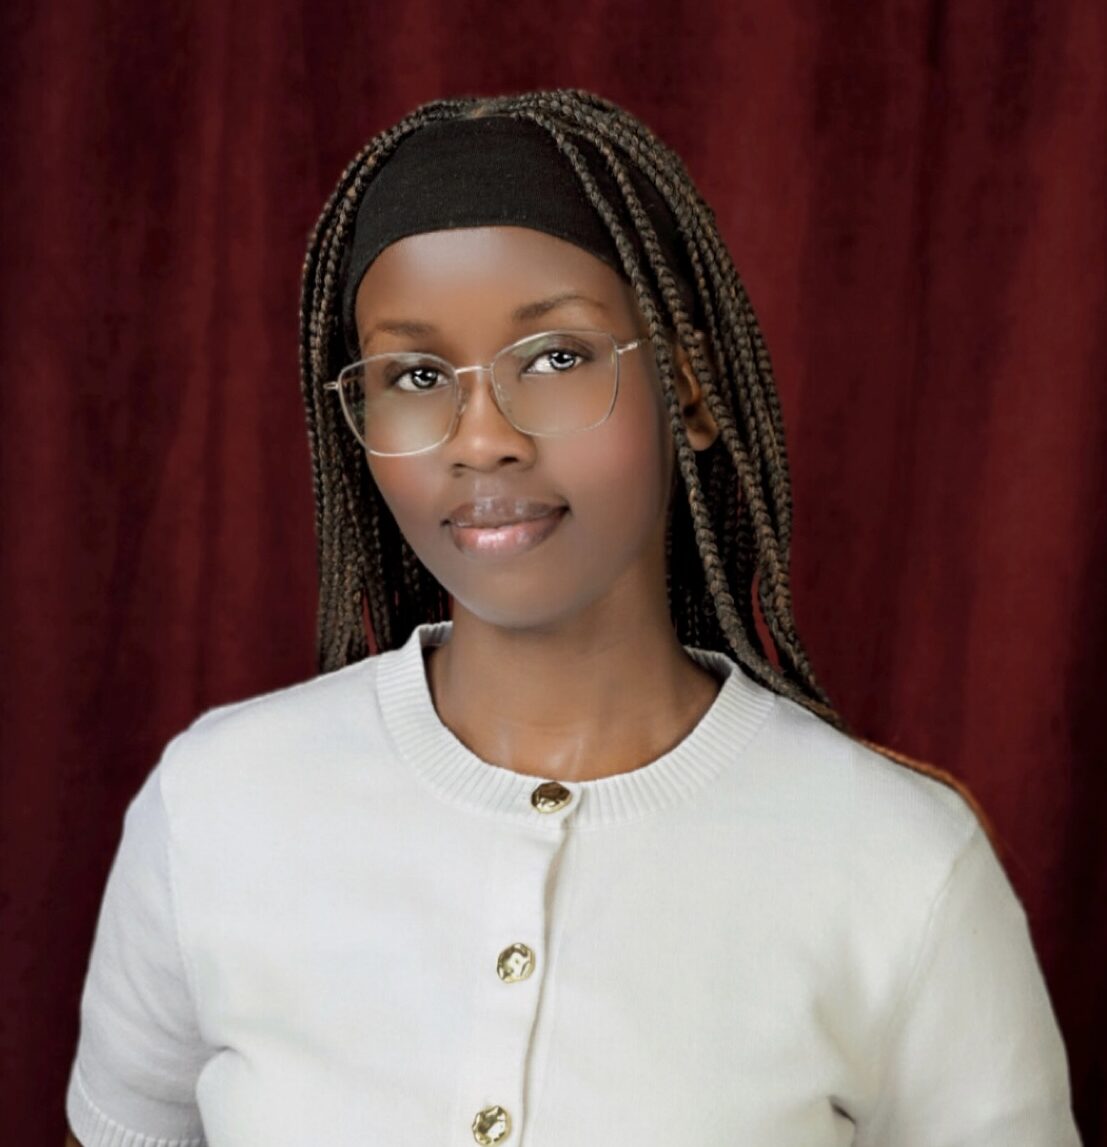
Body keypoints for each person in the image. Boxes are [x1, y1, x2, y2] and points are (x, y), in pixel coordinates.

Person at [64, 90, 1081, 1147]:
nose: (481, 439)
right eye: (415, 374)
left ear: (686, 384)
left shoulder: (899, 864)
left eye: (556, 356)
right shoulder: (216, 807)